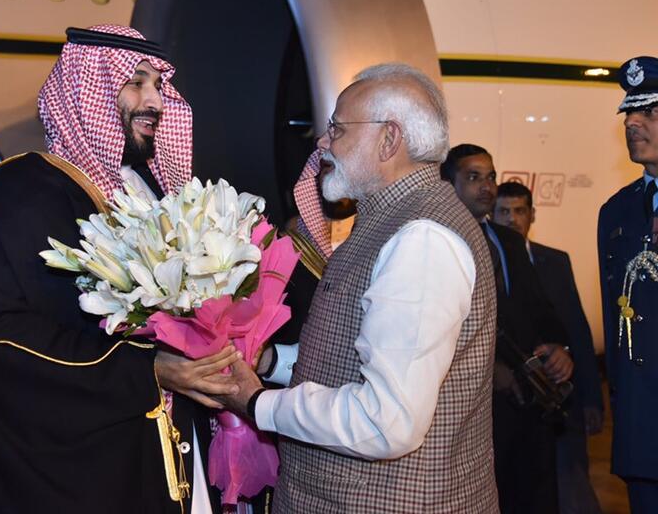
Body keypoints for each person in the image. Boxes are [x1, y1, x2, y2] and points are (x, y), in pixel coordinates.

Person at [0, 25, 240, 514]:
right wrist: (145, 370)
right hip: (78, 478)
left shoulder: (150, 196)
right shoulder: (16, 193)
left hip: (171, 460)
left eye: (158, 85)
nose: (155, 102)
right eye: (135, 83)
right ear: (88, 90)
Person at [216, 63, 500, 512]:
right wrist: (268, 361)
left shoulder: (421, 239)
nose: (323, 142)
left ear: (389, 139)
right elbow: (351, 360)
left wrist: (258, 404)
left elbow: (385, 422)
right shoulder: (392, 221)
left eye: (338, 129)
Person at [441, 144, 572, 514]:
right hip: (472, 412)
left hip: (530, 402)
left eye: (491, 177)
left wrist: (559, 347)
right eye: (473, 177)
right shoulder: (437, 242)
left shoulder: (510, 241)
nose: (486, 186)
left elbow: (540, 308)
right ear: (449, 185)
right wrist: (490, 370)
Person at [494, 181, 603, 514]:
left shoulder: (555, 260)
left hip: (559, 399)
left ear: (532, 215)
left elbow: (577, 330)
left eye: (519, 211)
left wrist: (592, 399)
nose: (512, 219)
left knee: (572, 493)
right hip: (510, 405)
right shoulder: (487, 260)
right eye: (503, 211)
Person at [598, 56, 658, 514]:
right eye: (629, 113)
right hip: (643, 423)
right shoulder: (616, 210)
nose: (632, 123)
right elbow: (612, 312)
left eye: (650, 112)